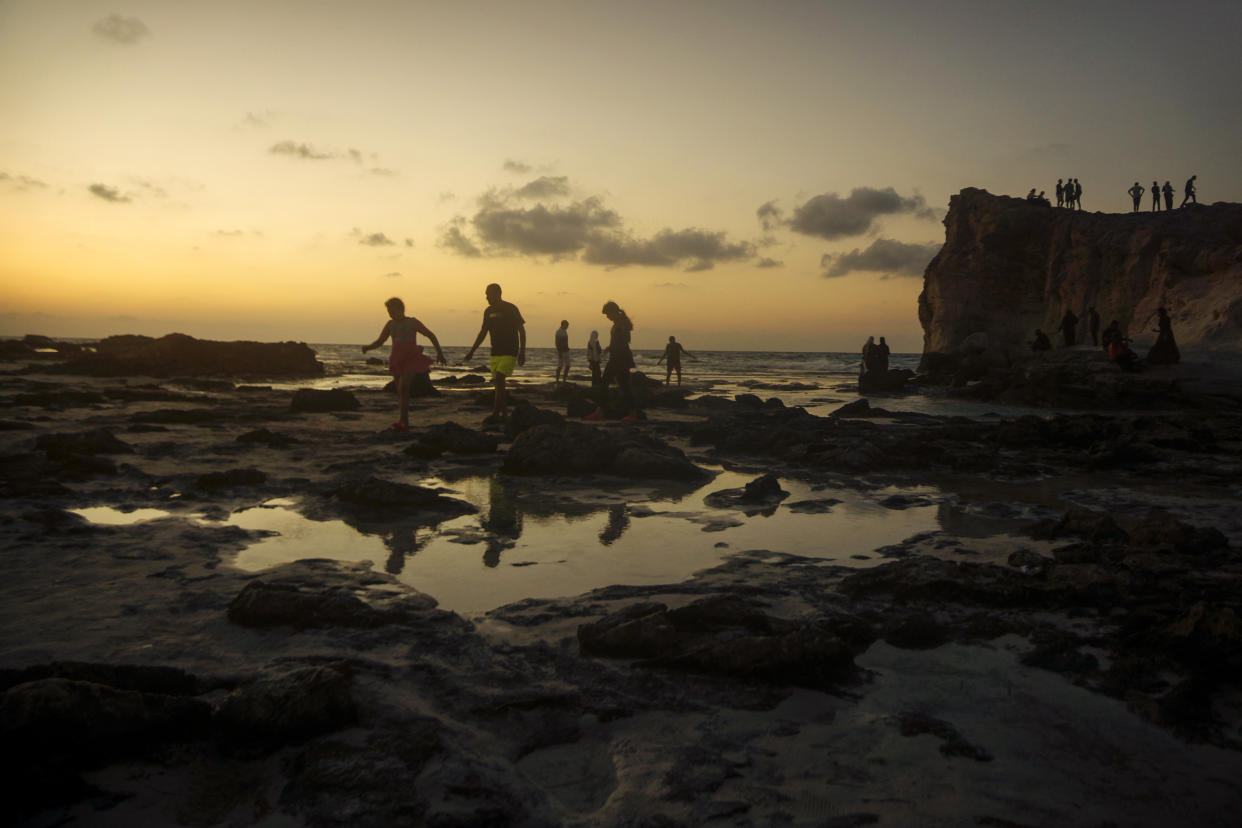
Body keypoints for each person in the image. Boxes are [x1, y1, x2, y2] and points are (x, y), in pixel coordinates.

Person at [362, 296, 446, 432]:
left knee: (404, 386)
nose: (390, 314)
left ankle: (405, 421)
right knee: (401, 391)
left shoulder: (412, 322)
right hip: (396, 359)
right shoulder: (390, 324)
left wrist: (439, 353)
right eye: (389, 312)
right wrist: (368, 347)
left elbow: (430, 335)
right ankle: (402, 420)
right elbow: (380, 341)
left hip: (411, 358)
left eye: (392, 311)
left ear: (401, 309)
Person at [462, 283, 526, 424]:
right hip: (495, 351)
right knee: (498, 383)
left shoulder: (511, 308)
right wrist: (472, 351)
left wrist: (522, 352)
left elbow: (521, 330)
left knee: (499, 379)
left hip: (510, 350)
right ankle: (504, 414)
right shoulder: (488, 311)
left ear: (497, 293)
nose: (486, 297)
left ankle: (496, 413)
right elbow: (483, 333)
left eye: (488, 294)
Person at [585, 301, 639, 422]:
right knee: (624, 386)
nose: (607, 317)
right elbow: (619, 340)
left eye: (607, 314)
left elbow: (625, 340)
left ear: (613, 311)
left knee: (605, 383)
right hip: (618, 356)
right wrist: (610, 347)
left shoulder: (621, 323)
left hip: (620, 357)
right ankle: (632, 414)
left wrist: (614, 347)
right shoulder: (617, 323)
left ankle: (600, 412)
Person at [553, 319, 570, 386]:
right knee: (560, 366)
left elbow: (566, 341)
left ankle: (564, 380)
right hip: (561, 351)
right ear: (563, 324)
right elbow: (557, 342)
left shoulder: (565, 331)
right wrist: (559, 351)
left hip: (566, 350)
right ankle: (557, 380)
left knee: (568, 365)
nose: (567, 326)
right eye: (567, 325)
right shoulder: (559, 332)